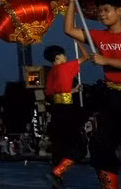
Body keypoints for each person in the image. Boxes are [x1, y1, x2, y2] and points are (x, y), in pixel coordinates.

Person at [63, 0, 121, 188]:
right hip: (111, 97)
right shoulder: (98, 36)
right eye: (99, 11)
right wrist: (71, 2)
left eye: (106, 10)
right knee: (100, 145)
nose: (101, 15)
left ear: (119, 11)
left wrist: (107, 60)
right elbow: (69, 29)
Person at [42, 44, 87, 188]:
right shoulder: (65, 67)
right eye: (63, 54)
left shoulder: (51, 73)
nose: (66, 57)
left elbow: (52, 93)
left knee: (59, 149)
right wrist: (79, 41)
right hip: (67, 111)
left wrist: (72, 90)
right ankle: (57, 173)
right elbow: (86, 57)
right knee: (79, 149)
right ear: (57, 57)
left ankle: (56, 182)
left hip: (56, 111)